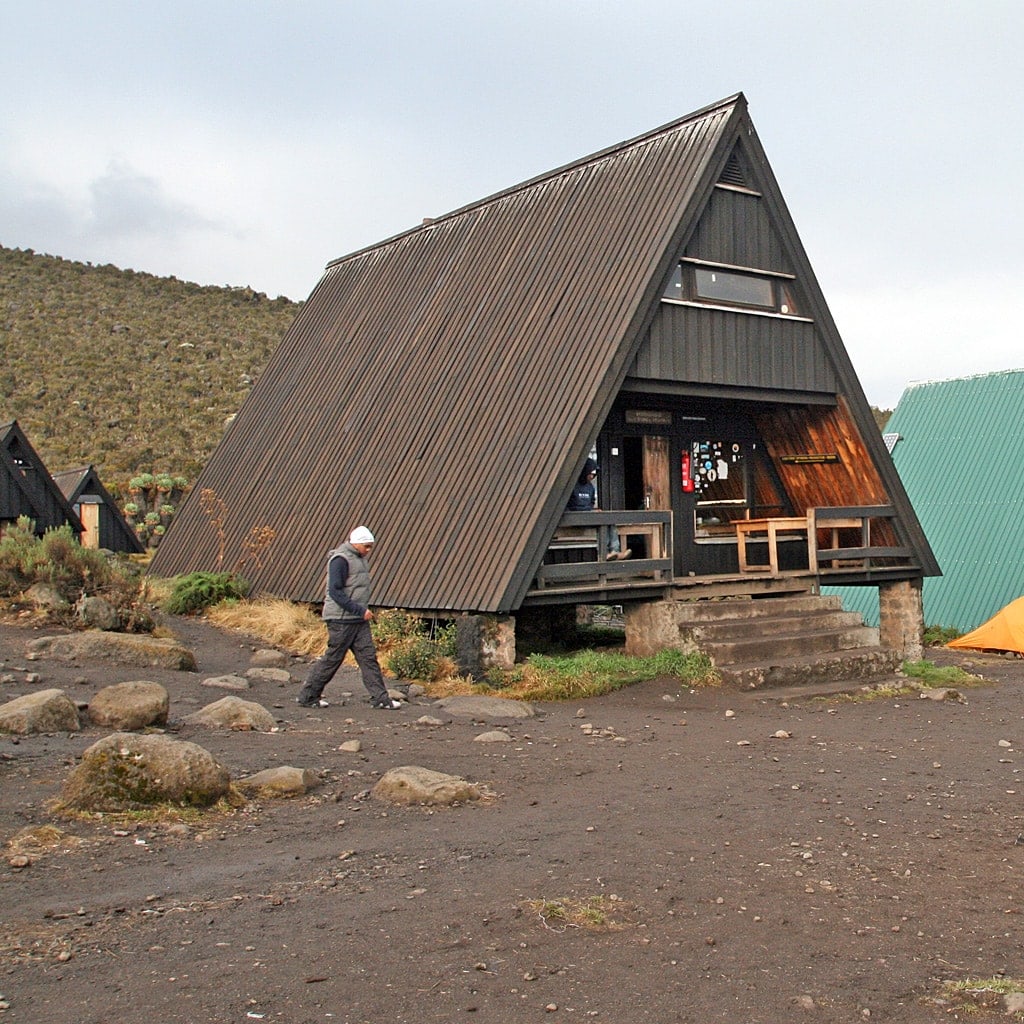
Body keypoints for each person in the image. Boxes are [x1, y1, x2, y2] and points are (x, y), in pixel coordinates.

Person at [295, 526, 401, 710]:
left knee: (368, 659)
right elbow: (335, 592)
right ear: (356, 543)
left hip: (356, 621)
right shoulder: (340, 560)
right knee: (333, 659)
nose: (369, 551)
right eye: (367, 546)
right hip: (341, 619)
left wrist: (359, 613)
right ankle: (308, 696)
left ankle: (381, 699)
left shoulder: (358, 559)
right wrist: (360, 610)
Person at [566, 458, 630, 560]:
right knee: (602, 520)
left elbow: (591, 502)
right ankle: (604, 552)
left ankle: (615, 551)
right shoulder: (572, 486)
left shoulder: (590, 487)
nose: (592, 476)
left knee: (609, 519)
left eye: (594, 474)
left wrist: (593, 510)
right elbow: (568, 505)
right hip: (575, 516)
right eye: (590, 473)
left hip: (589, 515)